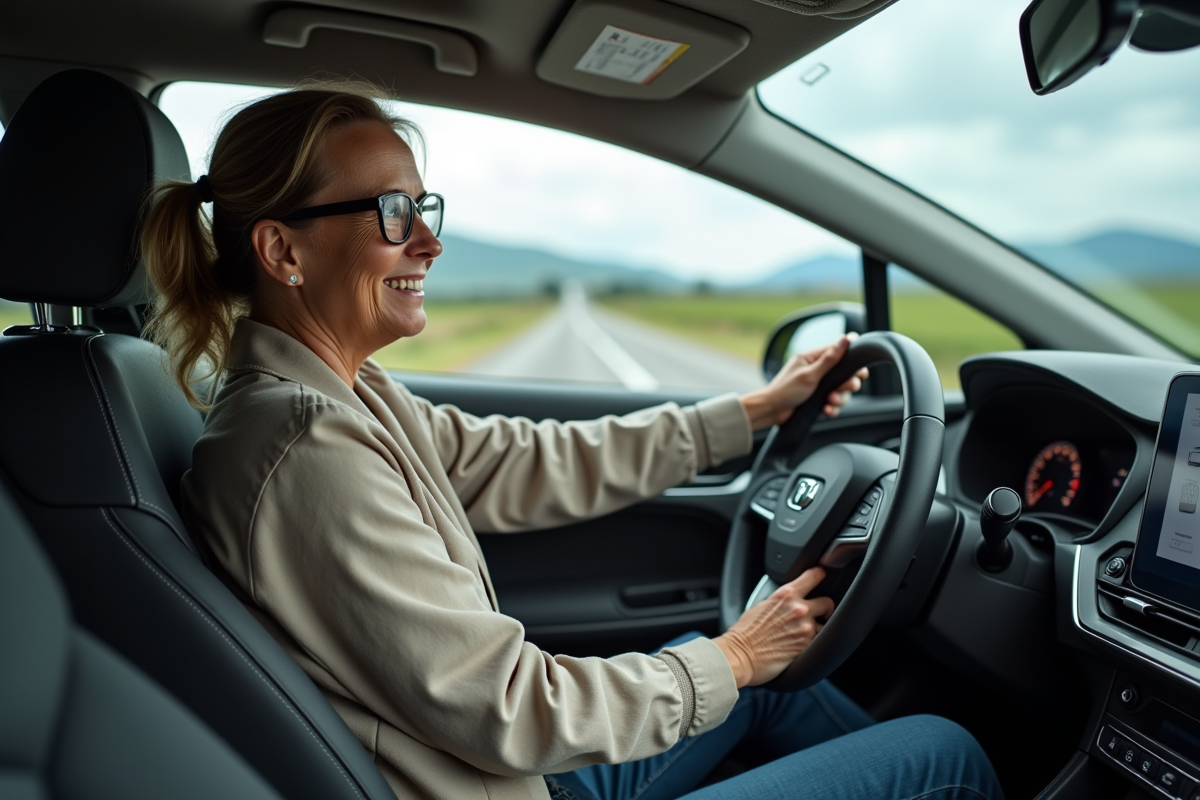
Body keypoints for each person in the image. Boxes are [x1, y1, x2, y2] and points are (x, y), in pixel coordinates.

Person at [143, 85, 1003, 800]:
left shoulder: (349, 397)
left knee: (764, 687)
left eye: (424, 208)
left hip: (509, 778)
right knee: (943, 753)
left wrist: (753, 413)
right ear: (283, 251)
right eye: (395, 213)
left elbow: (528, 461)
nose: (430, 243)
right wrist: (736, 655)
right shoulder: (307, 450)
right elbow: (511, 706)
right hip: (500, 774)